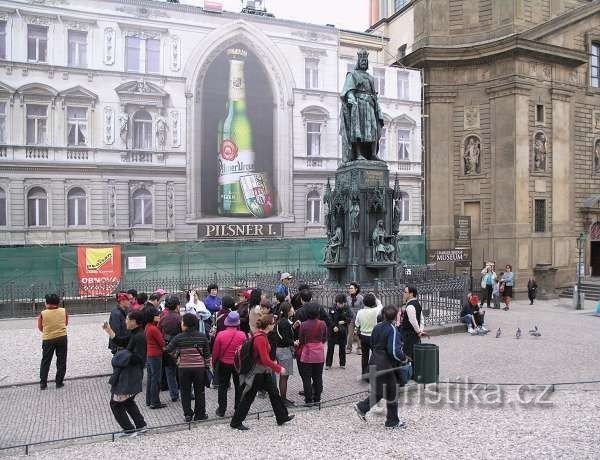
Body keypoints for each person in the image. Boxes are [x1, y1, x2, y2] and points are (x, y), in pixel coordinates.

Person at [230, 314, 294, 431]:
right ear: (268, 325)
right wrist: (279, 368)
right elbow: (264, 359)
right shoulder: (260, 338)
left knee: (274, 393)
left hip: (263, 371)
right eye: (273, 323)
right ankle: (236, 422)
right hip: (257, 373)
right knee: (248, 397)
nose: (274, 325)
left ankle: (282, 416)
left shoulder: (262, 336)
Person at [354, 305, 409, 429]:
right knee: (392, 391)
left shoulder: (376, 327)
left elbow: (373, 343)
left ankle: (362, 407)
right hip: (385, 364)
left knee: (383, 390)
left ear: (383, 314)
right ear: (395, 316)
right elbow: (394, 351)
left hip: (374, 360)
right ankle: (392, 422)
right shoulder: (392, 329)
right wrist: (404, 358)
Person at [103, 310, 147, 437]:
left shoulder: (139, 336)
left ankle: (129, 429)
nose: (125, 321)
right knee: (128, 401)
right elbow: (121, 341)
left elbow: (139, 358)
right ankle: (141, 425)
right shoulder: (134, 333)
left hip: (130, 374)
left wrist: (122, 356)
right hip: (129, 373)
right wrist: (109, 331)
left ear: (134, 322)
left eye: (127, 319)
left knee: (116, 403)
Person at [165, 313, 211, 422]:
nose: (181, 324)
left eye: (182, 322)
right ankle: (200, 414)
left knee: (185, 392)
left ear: (185, 325)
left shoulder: (179, 337)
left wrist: (177, 357)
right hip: (199, 369)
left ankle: (188, 414)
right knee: (199, 391)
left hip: (184, 368)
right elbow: (207, 354)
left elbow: (168, 349)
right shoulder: (202, 336)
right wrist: (207, 366)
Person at [212, 311, 246, 417]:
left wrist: (213, 363)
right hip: (238, 363)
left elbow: (215, 352)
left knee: (223, 386)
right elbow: (245, 351)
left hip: (224, 363)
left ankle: (222, 409)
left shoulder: (220, 335)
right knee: (238, 386)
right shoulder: (242, 335)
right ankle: (238, 407)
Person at [298, 303, 327, 406]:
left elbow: (301, 340)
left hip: (308, 352)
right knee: (318, 377)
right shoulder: (322, 323)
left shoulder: (304, 324)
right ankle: (317, 399)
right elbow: (324, 338)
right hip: (319, 352)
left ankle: (308, 400)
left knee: (307, 378)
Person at [37, 293, 68, 390]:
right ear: (58, 303)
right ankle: (59, 382)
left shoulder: (43, 313)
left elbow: (40, 327)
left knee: (46, 360)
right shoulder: (63, 311)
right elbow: (66, 323)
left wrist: (48, 331)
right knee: (61, 360)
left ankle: (43, 383)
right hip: (62, 337)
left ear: (47, 304)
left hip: (48, 339)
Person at [158, 295, 181, 402]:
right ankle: (188, 393)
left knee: (169, 373)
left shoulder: (163, 318)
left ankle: (174, 395)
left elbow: (159, 332)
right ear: (177, 306)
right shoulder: (179, 318)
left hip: (166, 347)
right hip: (179, 347)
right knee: (182, 372)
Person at [273, 302, 297, 406]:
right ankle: (283, 399)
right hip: (284, 351)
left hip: (279, 350)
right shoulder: (285, 323)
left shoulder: (281, 321)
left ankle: (283, 398)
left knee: (284, 376)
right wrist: (294, 343)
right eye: (291, 308)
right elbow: (286, 338)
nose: (293, 310)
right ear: (287, 310)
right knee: (284, 376)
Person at [355, 293, 383, 380]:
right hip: (373, 336)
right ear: (373, 302)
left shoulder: (360, 312)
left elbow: (357, 324)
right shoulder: (376, 311)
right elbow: (380, 305)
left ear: (364, 302)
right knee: (375, 356)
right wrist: (375, 297)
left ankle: (364, 373)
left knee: (365, 356)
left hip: (363, 336)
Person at [144, 307, 166, 409]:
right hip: (156, 355)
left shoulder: (147, 327)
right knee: (156, 379)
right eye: (157, 315)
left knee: (150, 378)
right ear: (153, 317)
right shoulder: (154, 329)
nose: (159, 317)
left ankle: (149, 400)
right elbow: (162, 342)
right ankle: (155, 402)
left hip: (149, 354)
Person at [326, 294, 352, 370]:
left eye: (342, 303)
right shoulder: (332, 308)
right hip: (332, 331)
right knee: (330, 348)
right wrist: (334, 326)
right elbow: (329, 319)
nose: (341, 305)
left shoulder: (347, 308)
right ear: (336, 302)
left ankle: (342, 364)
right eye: (339, 303)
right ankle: (328, 364)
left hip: (342, 331)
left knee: (342, 348)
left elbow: (350, 318)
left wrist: (344, 322)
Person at [400, 285, 424, 362]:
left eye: (405, 292)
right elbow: (421, 319)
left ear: (411, 294)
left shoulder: (410, 306)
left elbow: (413, 321)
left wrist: (418, 331)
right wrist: (420, 330)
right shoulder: (417, 303)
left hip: (409, 335)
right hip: (414, 334)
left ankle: (410, 372)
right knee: (414, 354)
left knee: (408, 354)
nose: (403, 293)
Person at [346, 282, 364, 355]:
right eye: (349, 288)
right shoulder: (348, 298)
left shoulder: (361, 298)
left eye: (351, 288)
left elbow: (363, 308)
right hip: (351, 319)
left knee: (358, 334)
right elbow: (347, 308)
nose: (350, 289)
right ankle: (348, 348)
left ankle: (359, 348)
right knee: (350, 334)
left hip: (358, 319)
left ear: (356, 289)